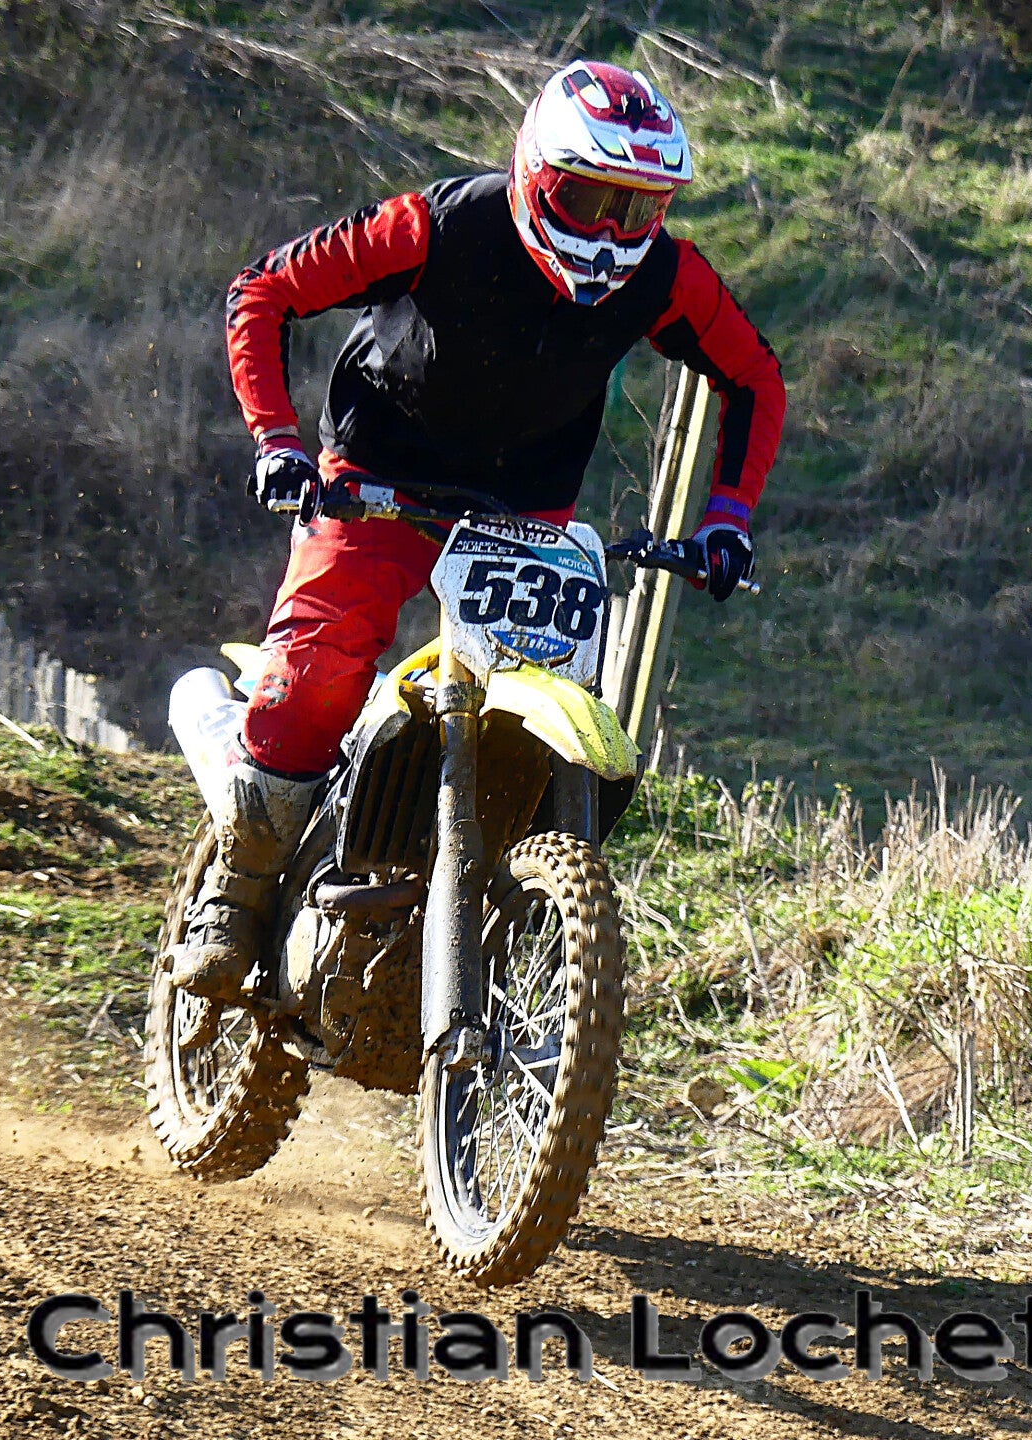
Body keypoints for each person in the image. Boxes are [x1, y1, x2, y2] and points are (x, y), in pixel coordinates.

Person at [175, 59, 786, 1005]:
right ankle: (237, 891)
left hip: (524, 513)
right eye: (589, 199)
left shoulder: (668, 274)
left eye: (638, 209)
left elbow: (754, 379)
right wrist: (278, 442)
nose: (610, 232)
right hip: (379, 477)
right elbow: (263, 289)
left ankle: (481, 927)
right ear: (536, 174)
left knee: (541, 715)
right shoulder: (439, 224)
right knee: (320, 669)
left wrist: (728, 517)